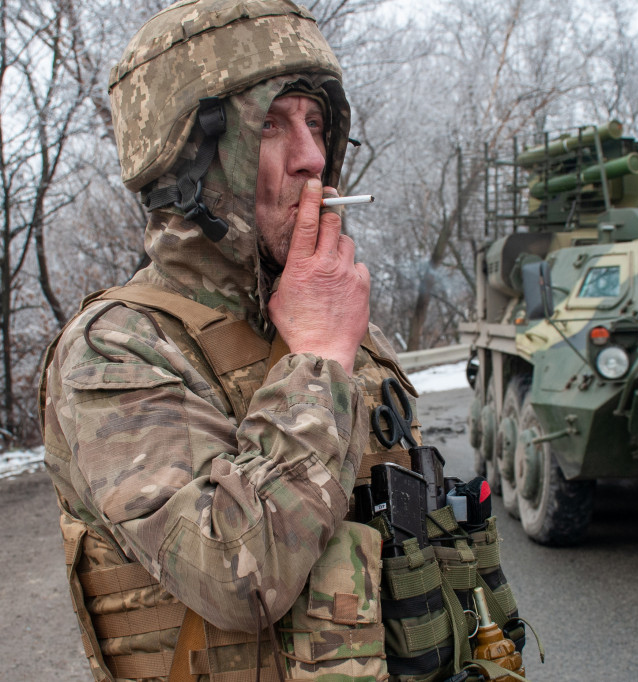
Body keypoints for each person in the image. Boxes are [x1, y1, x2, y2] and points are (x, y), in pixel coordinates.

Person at [38, 2, 421, 680]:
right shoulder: (117, 349)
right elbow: (238, 576)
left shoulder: (336, 321)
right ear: (191, 160)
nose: (312, 159)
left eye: (315, 123)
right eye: (270, 125)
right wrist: (316, 361)